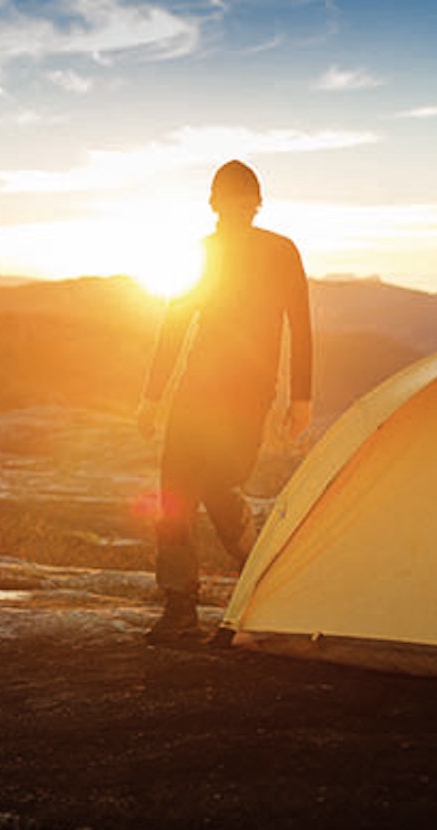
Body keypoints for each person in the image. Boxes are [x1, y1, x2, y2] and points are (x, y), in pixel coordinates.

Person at [136, 159, 313, 644]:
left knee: (219, 486)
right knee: (173, 497)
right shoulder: (201, 253)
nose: (234, 207)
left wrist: (301, 398)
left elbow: (300, 323)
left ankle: (261, 583)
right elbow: (174, 325)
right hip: (195, 391)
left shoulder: (281, 251)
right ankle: (179, 608)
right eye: (226, 199)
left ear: (255, 204)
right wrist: (152, 397)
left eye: (243, 199)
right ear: (213, 203)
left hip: (247, 395)